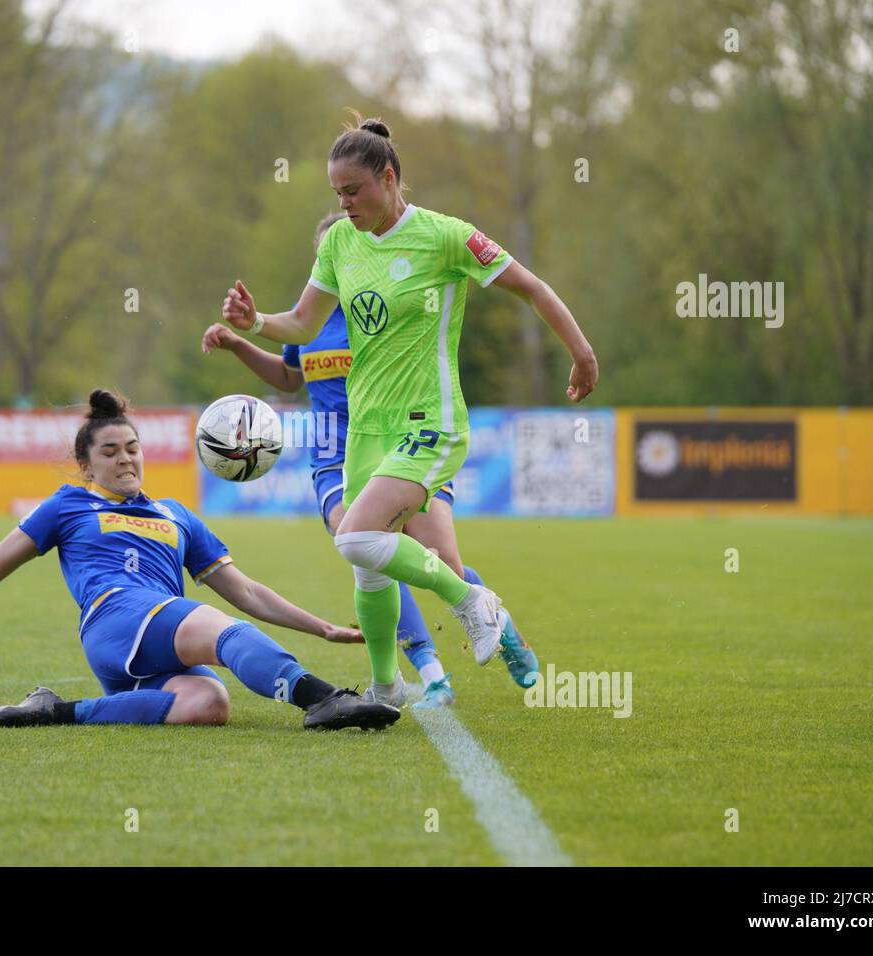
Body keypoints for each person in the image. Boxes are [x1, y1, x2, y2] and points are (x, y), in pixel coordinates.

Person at [220, 115, 598, 706]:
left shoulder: (447, 237)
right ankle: (386, 684)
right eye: (337, 194)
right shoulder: (341, 244)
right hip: (366, 431)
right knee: (368, 565)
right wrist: (257, 323)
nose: (344, 204)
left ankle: (473, 602)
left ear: (389, 178)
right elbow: (302, 323)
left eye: (354, 191)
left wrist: (581, 352)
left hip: (430, 421)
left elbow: (532, 287)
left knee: (356, 538)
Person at [0, 388, 400, 732]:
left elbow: (248, 591)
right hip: (115, 616)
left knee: (208, 704)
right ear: (85, 465)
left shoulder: (176, 515)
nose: (126, 459)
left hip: (158, 635)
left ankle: (56, 710)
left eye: (133, 448)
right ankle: (323, 701)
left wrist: (322, 628)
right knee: (220, 628)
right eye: (110, 452)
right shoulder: (70, 503)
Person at [202, 212, 496, 709]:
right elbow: (290, 378)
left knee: (441, 561)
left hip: (400, 441)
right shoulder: (307, 322)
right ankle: (424, 669)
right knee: (359, 542)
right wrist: (239, 344)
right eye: (324, 257)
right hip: (332, 454)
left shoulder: (381, 315)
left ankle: (500, 632)